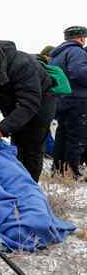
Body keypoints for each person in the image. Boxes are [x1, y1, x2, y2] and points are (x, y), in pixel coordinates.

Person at [0, 42, 55, 182]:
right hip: (12, 106)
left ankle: (30, 189)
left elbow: (29, 103)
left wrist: (2, 128)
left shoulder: (22, 65)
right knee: (18, 143)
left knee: (32, 148)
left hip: (40, 105)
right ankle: (16, 181)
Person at [49, 26, 87, 179]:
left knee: (62, 135)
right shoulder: (77, 51)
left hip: (62, 100)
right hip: (78, 100)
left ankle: (58, 169)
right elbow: (79, 72)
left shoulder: (57, 54)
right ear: (81, 37)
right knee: (77, 136)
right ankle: (73, 171)